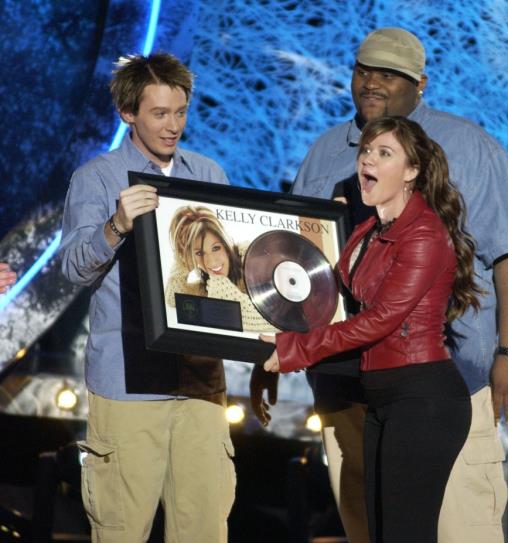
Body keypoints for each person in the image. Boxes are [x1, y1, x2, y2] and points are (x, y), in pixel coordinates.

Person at [252, 27, 508, 543]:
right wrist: (273, 348)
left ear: (420, 84)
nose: (373, 83)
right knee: (371, 528)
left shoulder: (467, 151)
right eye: (364, 71)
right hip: (345, 386)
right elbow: (292, 264)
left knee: (459, 529)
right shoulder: (326, 154)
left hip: (435, 382)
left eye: (390, 74)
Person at [262, 115, 479, 542]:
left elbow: (380, 320)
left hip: (423, 398)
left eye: (384, 153)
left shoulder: (424, 234)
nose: (368, 160)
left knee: (404, 535)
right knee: (379, 533)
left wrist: (297, 349)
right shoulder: (368, 229)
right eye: (365, 151)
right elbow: (330, 293)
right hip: (382, 398)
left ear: (412, 171)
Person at [60, 53, 235, 543]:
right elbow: (73, 266)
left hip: (200, 381)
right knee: (120, 530)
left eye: (180, 112)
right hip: (129, 383)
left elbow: (231, 273)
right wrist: (115, 225)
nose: (173, 125)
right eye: (159, 113)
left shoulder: (208, 173)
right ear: (128, 113)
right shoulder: (97, 178)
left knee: (203, 529)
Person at [165, 205, 276, 332]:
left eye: (216, 248)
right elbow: (173, 297)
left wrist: (224, 291)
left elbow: (274, 318)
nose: (211, 262)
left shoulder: (249, 256)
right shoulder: (209, 283)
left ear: (225, 243)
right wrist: (183, 256)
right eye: (200, 253)